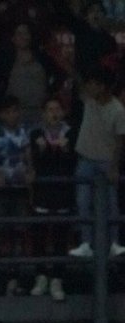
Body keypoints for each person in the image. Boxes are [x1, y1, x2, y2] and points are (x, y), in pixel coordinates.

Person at [0, 94, 33, 295]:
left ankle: (14, 277)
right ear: (1, 114)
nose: (13, 115)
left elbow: (28, 155)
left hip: (19, 189)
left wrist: (30, 171)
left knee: (18, 232)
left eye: (15, 111)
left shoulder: (24, 131)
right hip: (0, 190)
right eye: (8, 112)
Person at [68, 68, 125, 258]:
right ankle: (86, 242)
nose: (90, 86)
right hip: (85, 158)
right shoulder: (89, 100)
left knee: (112, 204)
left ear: (103, 87)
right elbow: (76, 77)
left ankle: (114, 243)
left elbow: (120, 141)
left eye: (94, 84)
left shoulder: (117, 110)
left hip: (106, 161)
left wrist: (115, 167)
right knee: (82, 202)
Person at [29, 95, 75, 301]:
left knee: (59, 237)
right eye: (50, 109)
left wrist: (64, 150)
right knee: (39, 235)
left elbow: (72, 161)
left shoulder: (71, 135)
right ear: (43, 113)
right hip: (42, 192)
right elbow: (35, 162)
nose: (54, 113)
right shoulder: (36, 134)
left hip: (63, 192)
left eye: (58, 109)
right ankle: (40, 276)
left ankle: (57, 278)